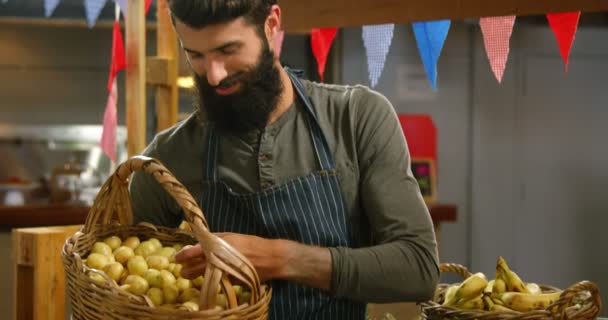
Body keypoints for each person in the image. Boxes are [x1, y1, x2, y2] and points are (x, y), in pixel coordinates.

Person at [129, 0, 440, 319]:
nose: (213, 75)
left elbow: (417, 268)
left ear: (271, 24)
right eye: (195, 55)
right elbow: (120, 268)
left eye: (227, 50)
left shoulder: (355, 117)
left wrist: (281, 258)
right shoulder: (169, 154)